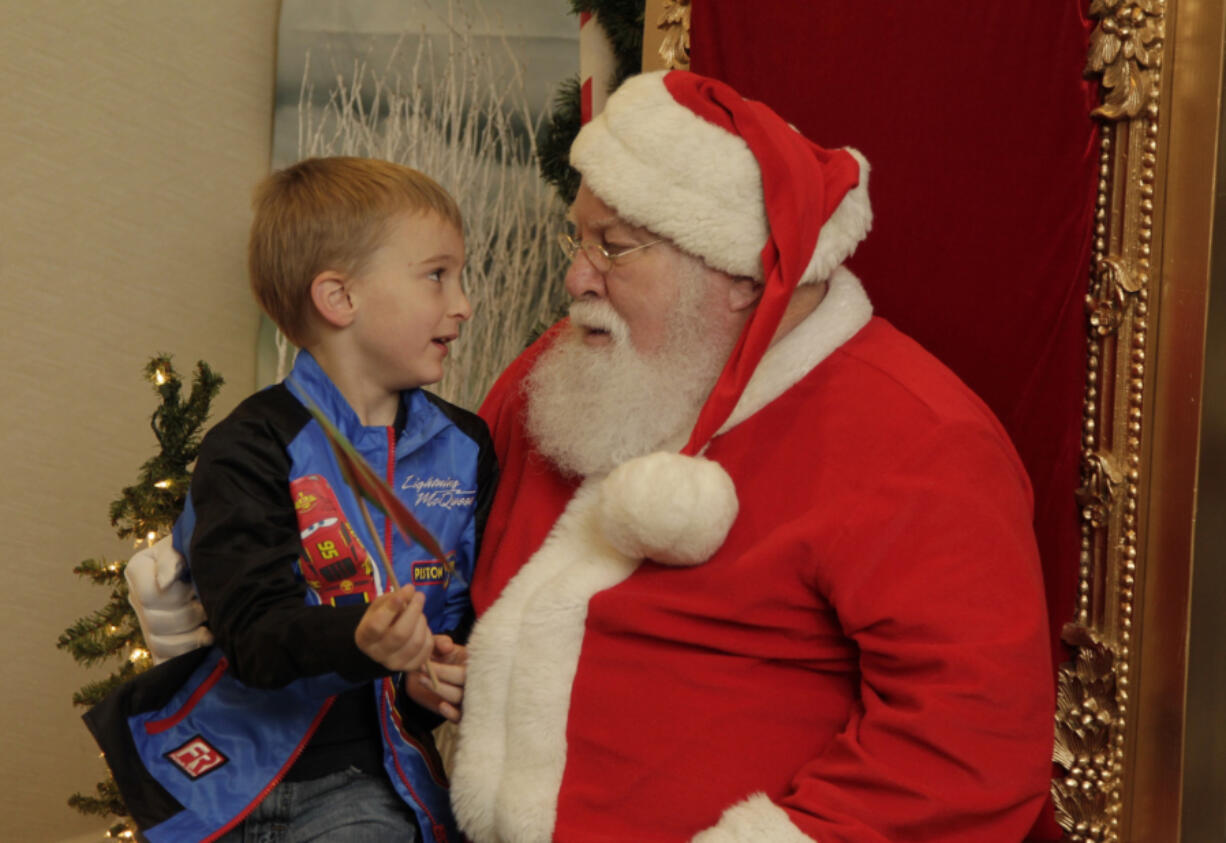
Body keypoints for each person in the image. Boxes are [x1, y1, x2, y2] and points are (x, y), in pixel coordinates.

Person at [130, 71, 1055, 842]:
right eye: (580, 239)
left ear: (737, 272)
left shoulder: (919, 436)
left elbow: (967, 752)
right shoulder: (560, 373)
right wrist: (225, 612)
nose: (575, 277)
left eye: (614, 246)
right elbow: (425, 577)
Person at [87, 157, 497, 843]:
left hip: (378, 776)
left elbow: (465, 622)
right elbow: (253, 637)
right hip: (235, 772)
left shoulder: (467, 445)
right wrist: (360, 635)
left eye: (461, 276)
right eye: (436, 275)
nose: (463, 303)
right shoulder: (250, 447)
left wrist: (432, 679)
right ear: (339, 299)